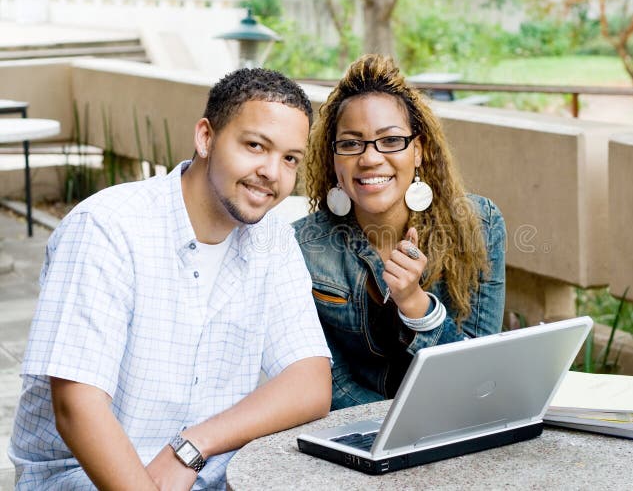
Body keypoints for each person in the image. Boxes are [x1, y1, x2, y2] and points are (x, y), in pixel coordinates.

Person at [9, 68, 332, 490]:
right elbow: (77, 406)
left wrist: (194, 444)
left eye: (290, 158)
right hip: (84, 476)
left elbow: (310, 382)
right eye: (255, 145)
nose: (273, 172)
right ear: (206, 138)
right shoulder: (107, 228)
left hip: (207, 466)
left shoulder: (272, 238)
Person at [293, 54, 505, 410]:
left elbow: (479, 375)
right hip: (358, 427)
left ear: (418, 151)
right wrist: (395, 425)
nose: (370, 158)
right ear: (333, 158)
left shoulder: (479, 225)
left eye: (390, 140)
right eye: (351, 143)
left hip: (458, 421)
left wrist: (416, 304)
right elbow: (330, 380)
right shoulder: (303, 247)